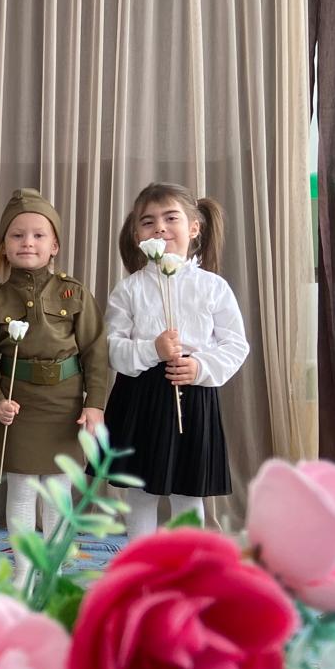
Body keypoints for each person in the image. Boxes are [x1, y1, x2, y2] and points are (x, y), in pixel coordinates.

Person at [0, 189, 108, 583]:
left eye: (38, 235)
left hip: (65, 404)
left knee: (58, 490)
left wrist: (95, 404)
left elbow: (96, 352)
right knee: (21, 489)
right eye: (17, 235)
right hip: (20, 405)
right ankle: (24, 570)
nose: (27, 243)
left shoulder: (74, 293)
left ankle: (52, 566)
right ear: (4, 245)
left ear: (55, 245)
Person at [102, 182, 248, 539]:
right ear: (137, 235)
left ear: (194, 227)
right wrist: (152, 349)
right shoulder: (129, 289)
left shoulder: (213, 287)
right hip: (140, 396)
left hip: (192, 392)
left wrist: (200, 367)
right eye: (148, 222)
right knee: (140, 491)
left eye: (171, 218)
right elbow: (112, 348)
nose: (160, 228)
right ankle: (141, 563)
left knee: (188, 492)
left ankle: (187, 563)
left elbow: (235, 345)